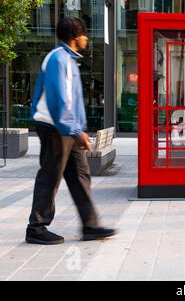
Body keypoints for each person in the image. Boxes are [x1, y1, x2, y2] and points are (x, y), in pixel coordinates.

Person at [26, 17, 116, 244]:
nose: (87, 38)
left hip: (67, 128)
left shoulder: (68, 59)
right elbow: (59, 99)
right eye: (85, 35)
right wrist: (75, 130)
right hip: (55, 127)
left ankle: (90, 226)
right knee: (50, 175)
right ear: (76, 37)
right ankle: (36, 228)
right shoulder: (58, 59)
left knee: (80, 175)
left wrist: (78, 130)